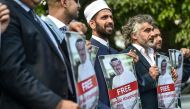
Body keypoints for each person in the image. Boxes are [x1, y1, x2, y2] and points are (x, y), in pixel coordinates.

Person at [0, 0, 79, 109]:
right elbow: (12, 73)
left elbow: (53, 54)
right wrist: (57, 103)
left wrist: (70, 38)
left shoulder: (33, 15)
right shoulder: (6, 11)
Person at [84, 1, 138, 108]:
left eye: (111, 17)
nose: (110, 21)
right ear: (92, 24)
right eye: (104, 17)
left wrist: (131, 66)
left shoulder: (116, 54)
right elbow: (87, 95)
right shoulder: (88, 51)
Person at [122, 14, 159, 109]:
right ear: (134, 35)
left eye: (152, 29)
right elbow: (126, 90)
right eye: (147, 30)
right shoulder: (125, 56)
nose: (153, 34)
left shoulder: (155, 53)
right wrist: (150, 77)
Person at [75, 38, 98, 109]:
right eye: (79, 50)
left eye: (83, 49)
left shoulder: (94, 61)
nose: (82, 52)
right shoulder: (77, 68)